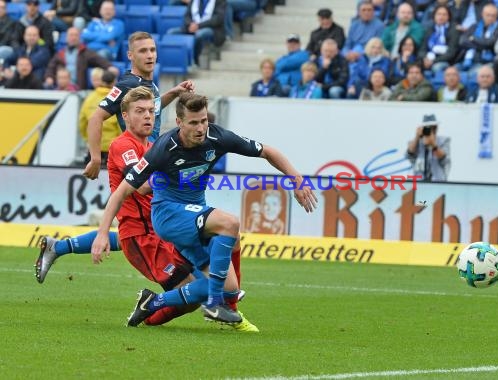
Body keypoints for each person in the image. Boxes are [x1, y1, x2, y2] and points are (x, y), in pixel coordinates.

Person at [37, 86, 257, 331]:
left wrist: (173, 94)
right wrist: (184, 175)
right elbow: (139, 187)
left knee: (217, 273)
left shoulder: (151, 143)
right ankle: (154, 305)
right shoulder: (125, 146)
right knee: (199, 291)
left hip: (159, 228)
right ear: (125, 117)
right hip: (143, 236)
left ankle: (58, 246)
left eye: (152, 111)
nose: (149, 116)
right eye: (140, 111)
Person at [91, 92, 317, 326]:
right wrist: (102, 233)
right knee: (229, 223)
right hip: (168, 215)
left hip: (194, 213)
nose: (201, 128)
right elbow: (122, 191)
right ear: (179, 123)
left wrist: (297, 180)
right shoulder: (163, 148)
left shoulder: (217, 137)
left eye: (204, 121)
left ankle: (155, 302)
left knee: (230, 283)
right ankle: (215, 304)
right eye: (194, 123)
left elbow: (268, 151)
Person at [83, 31, 195, 181]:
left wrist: (173, 93)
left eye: (152, 50)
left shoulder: (149, 83)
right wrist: (95, 158)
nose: (149, 55)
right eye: (143, 51)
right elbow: (95, 117)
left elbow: (152, 108)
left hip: (153, 157)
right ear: (130, 55)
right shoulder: (127, 85)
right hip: (137, 160)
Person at [44, 27, 113, 90]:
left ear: (79, 38)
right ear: (66, 38)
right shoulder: (60, 53)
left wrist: (109, 66)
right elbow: (51, 66)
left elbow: (98, 59)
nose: (73, 38)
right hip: (62, 87)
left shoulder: (85, 52)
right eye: (71, 35)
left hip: (78, 88)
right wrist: (49, 77)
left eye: (76, 35)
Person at [79, 69, 120, 166]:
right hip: (112, 148)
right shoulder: (117, 100)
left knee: (91, 177)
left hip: (93, 149)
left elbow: (82, 122)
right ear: (114, 82)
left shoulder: (90, 98)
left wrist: (89, 138)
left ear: (101, 81)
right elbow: (121, 125)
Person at [171, 0, 226, 66]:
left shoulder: (220, 1)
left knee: (200, 34)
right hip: (192, 27)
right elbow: (187, 15)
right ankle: (175, 63)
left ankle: (194, 60)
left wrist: (198, 26)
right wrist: (190, 24)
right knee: (172, 33)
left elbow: (217, 19)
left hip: (211, 29)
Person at [458, 3, 498, 72]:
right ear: (482, 15)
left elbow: (489, 43)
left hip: (486, 62)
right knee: (452, 71)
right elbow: (462, 41)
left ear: (496, 17)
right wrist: (480, 45)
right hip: (468, 59)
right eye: (488, 15)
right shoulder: (474, 26)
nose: (490, 18)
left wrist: (473, 39)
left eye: (493, 16)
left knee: (474, 72)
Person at [406, 114, 451, 182]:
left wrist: (433, 144)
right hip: (419, 182)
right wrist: (417, 137)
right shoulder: (416, 142)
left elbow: (444, 158)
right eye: (427, 128)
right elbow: (410, 154)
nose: (430, 130)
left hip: (438, 182)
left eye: (432, 127)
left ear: (436, 128)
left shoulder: (444, 141)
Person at [419, 5, 461, 74]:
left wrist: (434, 61)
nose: (441, 17)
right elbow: (422, 50)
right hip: (428, 59)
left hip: (444, 61)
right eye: (438, 14)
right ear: (434, 16)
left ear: (448, 17)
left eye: (444, 15)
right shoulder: (429, 30)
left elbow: (451, 53)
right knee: (415, 68)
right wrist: (425, 59)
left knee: (436, 68)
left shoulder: (453, 30)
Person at [342, 0, 385, 64]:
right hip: (352, 54)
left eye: (369, 10)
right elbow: (347, 45)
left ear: (373, 12)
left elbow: (378, 45)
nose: (366, 12)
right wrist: (347, 53)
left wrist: (360, 54)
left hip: (368, 56)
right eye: (363, 10)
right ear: (359, 12)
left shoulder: (380, 26)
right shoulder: (354, 25)